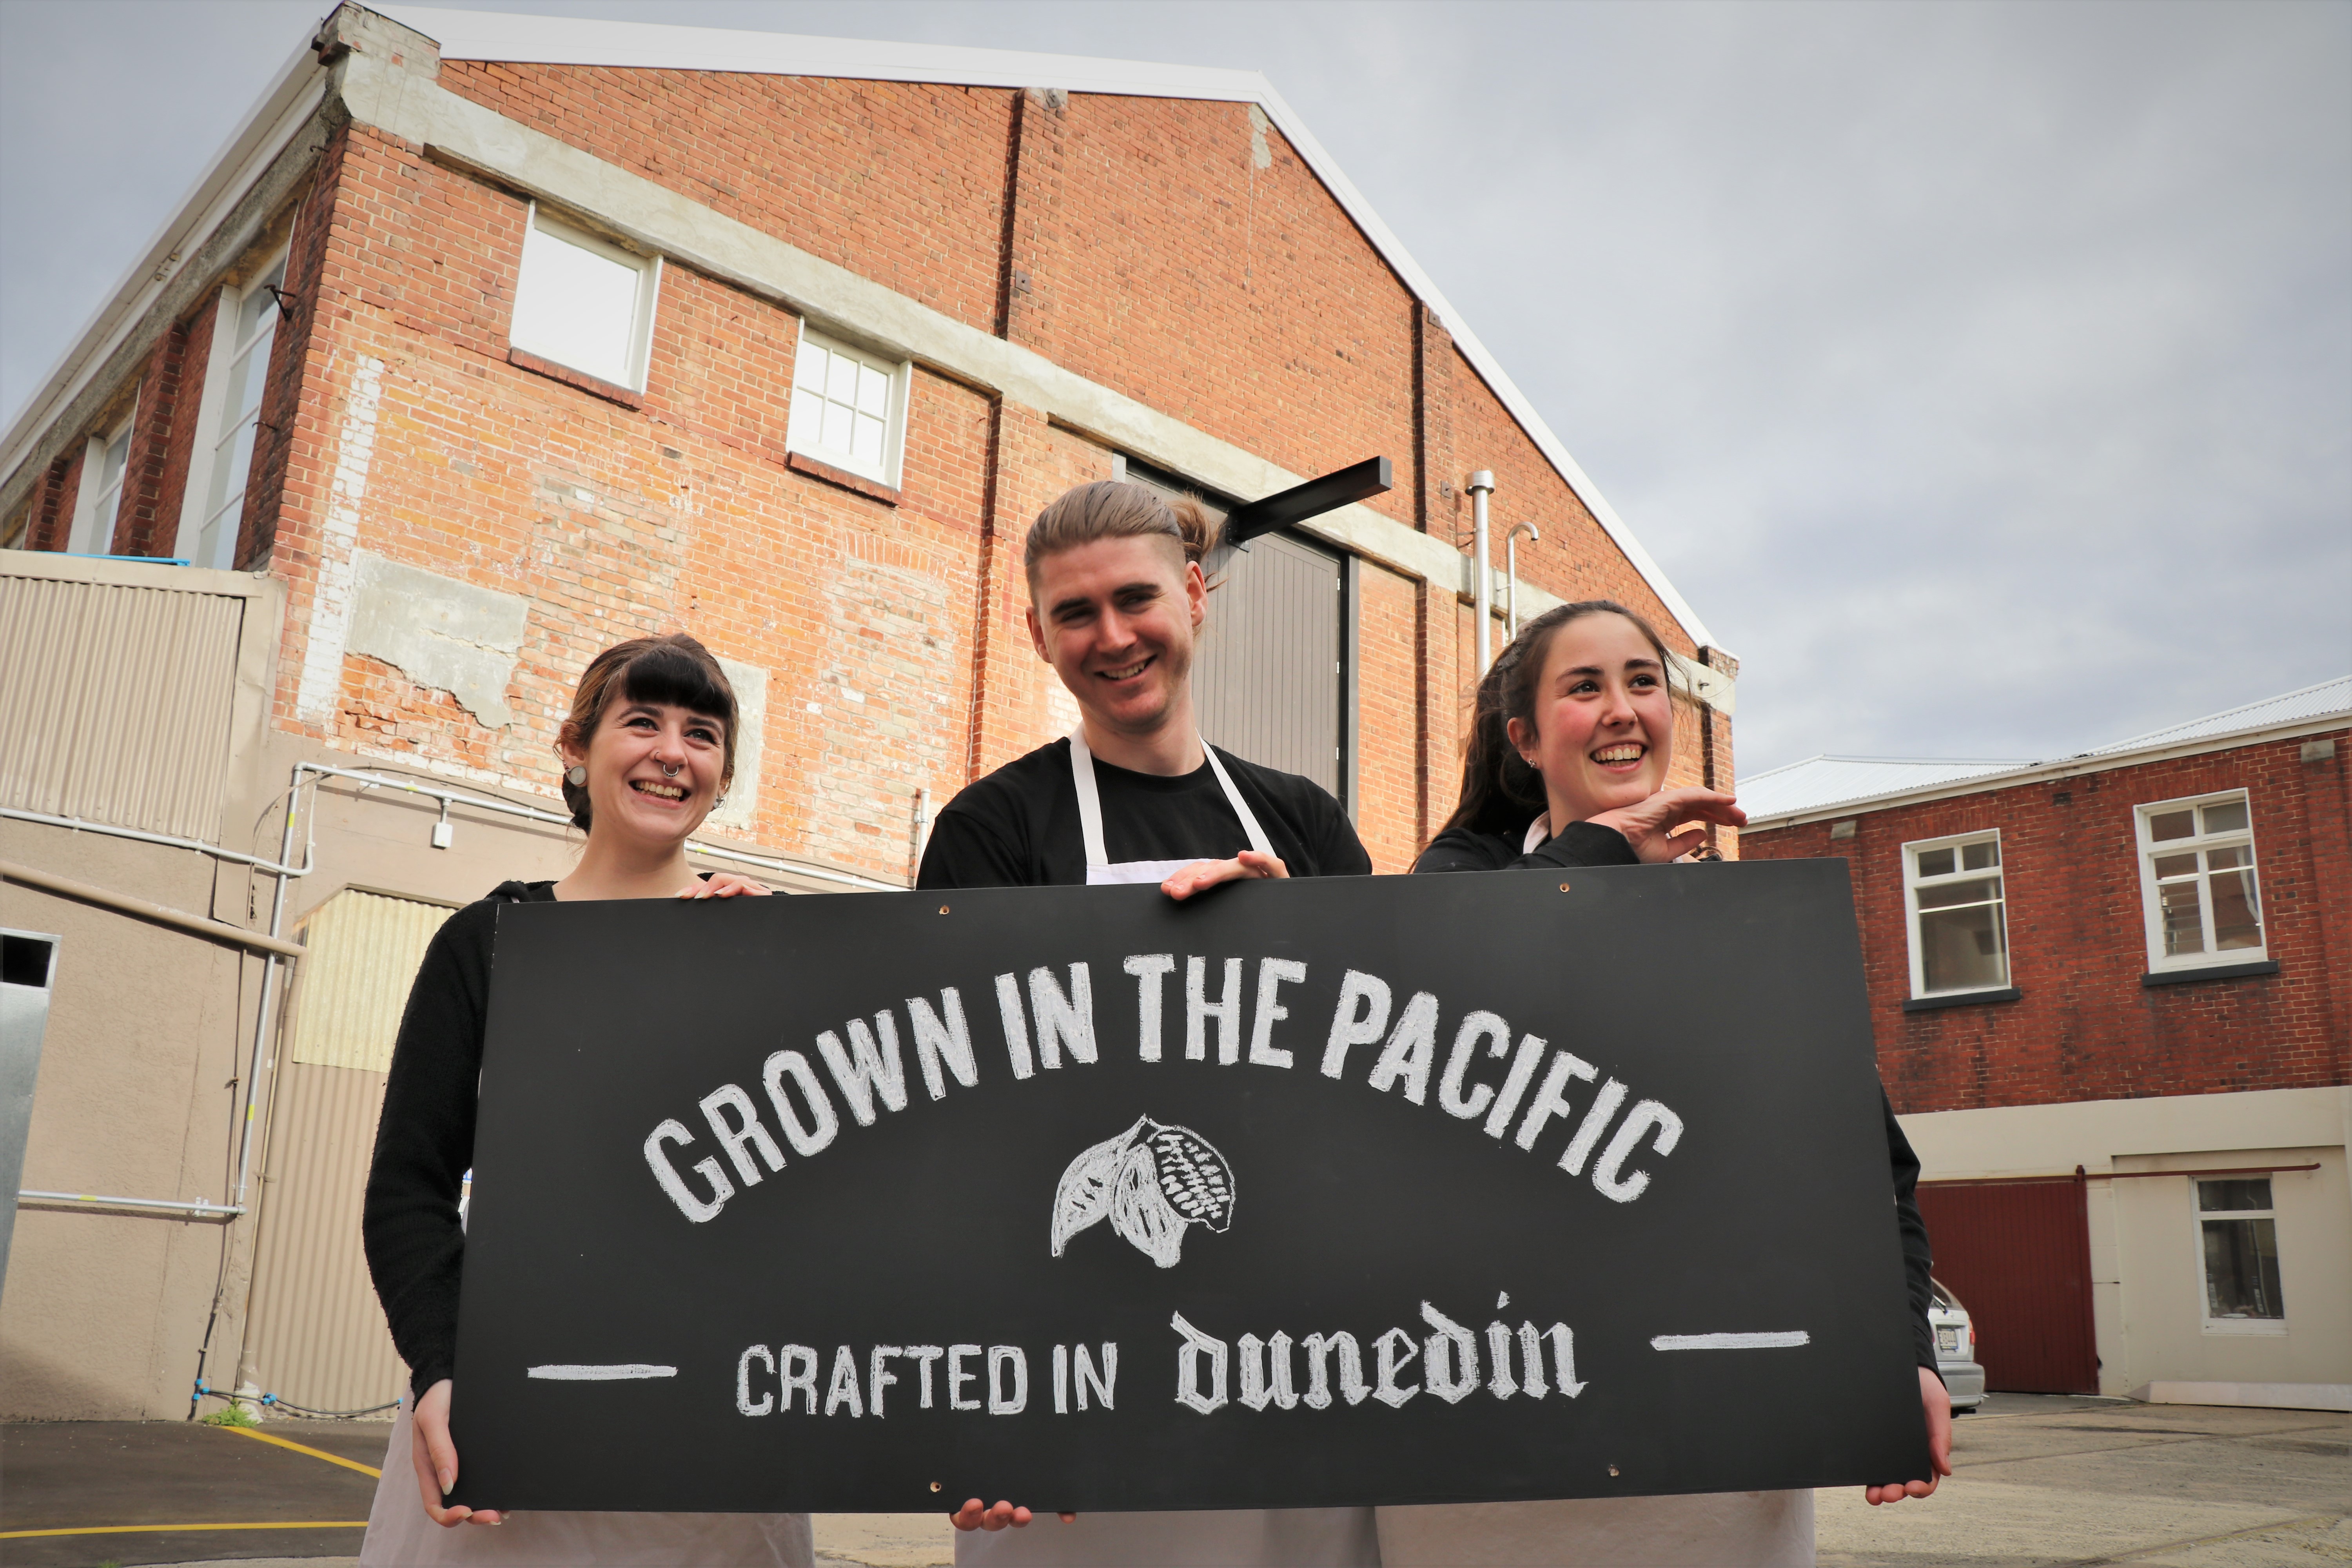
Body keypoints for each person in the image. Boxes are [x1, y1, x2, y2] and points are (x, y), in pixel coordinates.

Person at [1385, 599, 1949, 1568]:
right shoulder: (1443, 897)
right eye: (1585, 687)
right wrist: (1607, 848)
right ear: (1521, 737)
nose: (1621, 708)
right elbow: (1450, 964)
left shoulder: (1755, 935)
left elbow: (1864, 1168)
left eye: (1643, 682)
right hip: (1485, 1466)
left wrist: (1906, 1349)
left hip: (1716, 1464)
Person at [919, 479, 1379, 1568]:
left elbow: (1374, 1105)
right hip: (1071, 1397)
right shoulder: (991, 830)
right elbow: (953, 1133)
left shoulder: (1302, 820)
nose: (1113, 637)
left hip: (1290, 1374)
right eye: (1076, 614)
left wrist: (1291, 947)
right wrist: (974, 1405)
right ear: (1037, 635)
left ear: (1197, 596)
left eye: (1137, 600)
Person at [358, 633, 811, 1567]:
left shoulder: (763, 942)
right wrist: (442, 1368)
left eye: (703, 733)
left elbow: (816, 1198)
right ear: (576, 744)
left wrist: (779, 970)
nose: (671, 752)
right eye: (640, 721)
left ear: (723, 775)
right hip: (517, 1407)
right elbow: (408, 1184)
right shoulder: (486, 942)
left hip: (708, 1425)